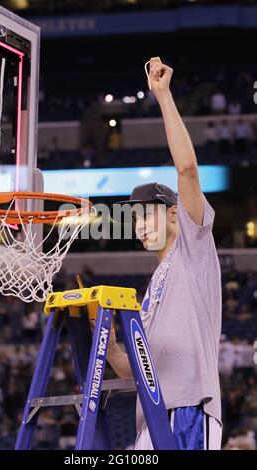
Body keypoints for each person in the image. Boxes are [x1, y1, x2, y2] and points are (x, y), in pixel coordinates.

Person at [107, 57, 222, 450]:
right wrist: (104, 341)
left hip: (189, 409)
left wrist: (163, 95)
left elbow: (187, 169)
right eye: (133, 217)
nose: (138, 223)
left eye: (146, 213)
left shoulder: (193, 244)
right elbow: (135, 369)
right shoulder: (149, 292)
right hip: (150, 419)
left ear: (174, 213)